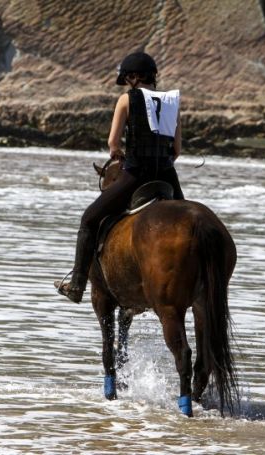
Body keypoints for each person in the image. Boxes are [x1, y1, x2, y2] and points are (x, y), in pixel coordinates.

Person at [54, 51, 184, 303]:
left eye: (127, 79)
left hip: (135, 174)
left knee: (89, 219)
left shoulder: (127, 100)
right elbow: (177, 150)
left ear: (134, 78)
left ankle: (77, 285)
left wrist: (119, 155)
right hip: (168, 177)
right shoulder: (172, 102)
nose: (126, 84)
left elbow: (113, 143)